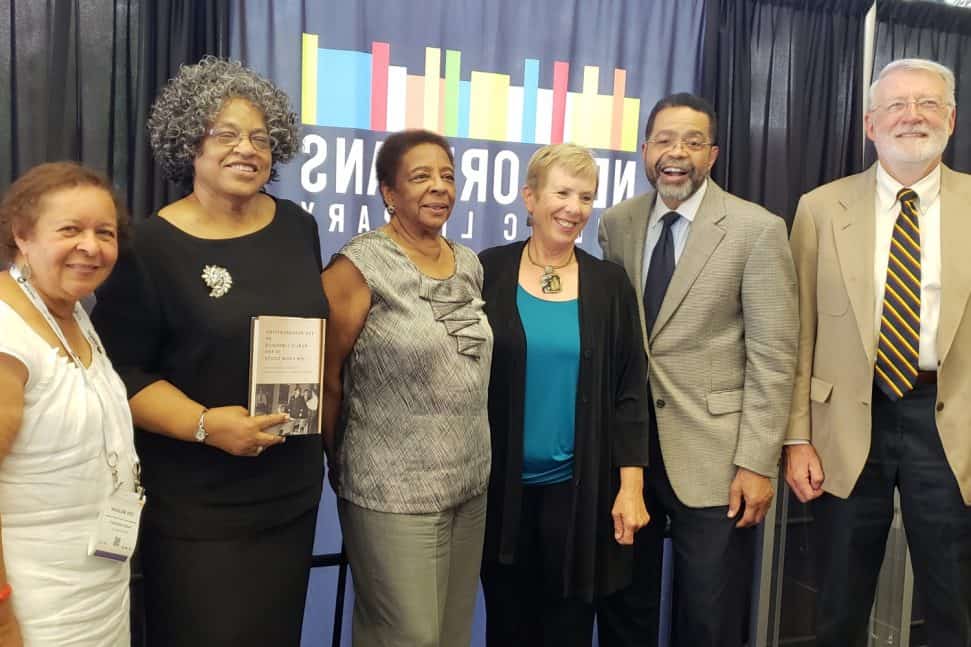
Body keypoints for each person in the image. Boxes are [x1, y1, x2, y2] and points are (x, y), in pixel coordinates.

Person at [91, 57, 328, 646]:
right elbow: (122, 372)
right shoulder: (146, 246)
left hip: (290, 495)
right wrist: (203, 425)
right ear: (188, 143)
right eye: (225, 133)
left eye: (260, 137)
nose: (246, 148)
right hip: (198, 507)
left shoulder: (299, 226)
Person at [597, 93, 798, 647]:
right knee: (624, 609)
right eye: (663, 140)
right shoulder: (617, 224)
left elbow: (774, 357)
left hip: (716, 458)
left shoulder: (757, 230)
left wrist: (757, 462)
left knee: (708, 619)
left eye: (690, 141)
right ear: (644, 150)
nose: (675, 153)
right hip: (628, 456)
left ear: (712, 154)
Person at [786, 58, 971, 646]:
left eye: (927, 104)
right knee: (837, 604)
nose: (911, 116)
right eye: (896, 105)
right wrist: (796, 438)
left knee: (953, 602)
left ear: (953, 118)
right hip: (845, 422)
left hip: (949, 422)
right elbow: (798, 335)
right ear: (870, 124)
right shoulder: (819, 209)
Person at [321, 129, 492, 647]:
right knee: (406, 637)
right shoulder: (358, 266)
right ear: (389, 193)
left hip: (469, 482)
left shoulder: (469, 263)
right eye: (421, 177)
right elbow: (325, 378)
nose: (439, 188)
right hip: (389, 489)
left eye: (447, 176)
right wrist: (338, 458)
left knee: (451, 634)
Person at [479, 143, 651, 646]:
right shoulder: (487, 271)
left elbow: (629, 392)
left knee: (567, 631)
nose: (573, 208)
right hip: (497, 497)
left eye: (585, 196)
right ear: (529, 198)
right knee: (507, 628)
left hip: (579, 498)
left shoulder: (609, 284)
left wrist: (631, 485)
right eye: (561, 193)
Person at [0, 162, 138, 646]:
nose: (91, 247)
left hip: (98, 595)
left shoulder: (73, 310)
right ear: (23, 235)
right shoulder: (6, 334)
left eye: (105, 232)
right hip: (32, 608)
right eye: (70, 230)